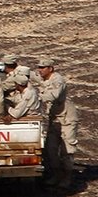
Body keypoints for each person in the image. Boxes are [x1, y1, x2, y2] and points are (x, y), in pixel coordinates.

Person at [37, 59, 79, 189]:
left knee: (67, 149)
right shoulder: (45, 80)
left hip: (66, 119)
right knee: (51, 149)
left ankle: (67, 177)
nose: (40, 70)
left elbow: (53, 95)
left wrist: (35, 97)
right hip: (54, 118)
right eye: (39, 67)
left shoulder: (58, 80)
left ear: (51, 68)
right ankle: (56, 175)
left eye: (43, 67)